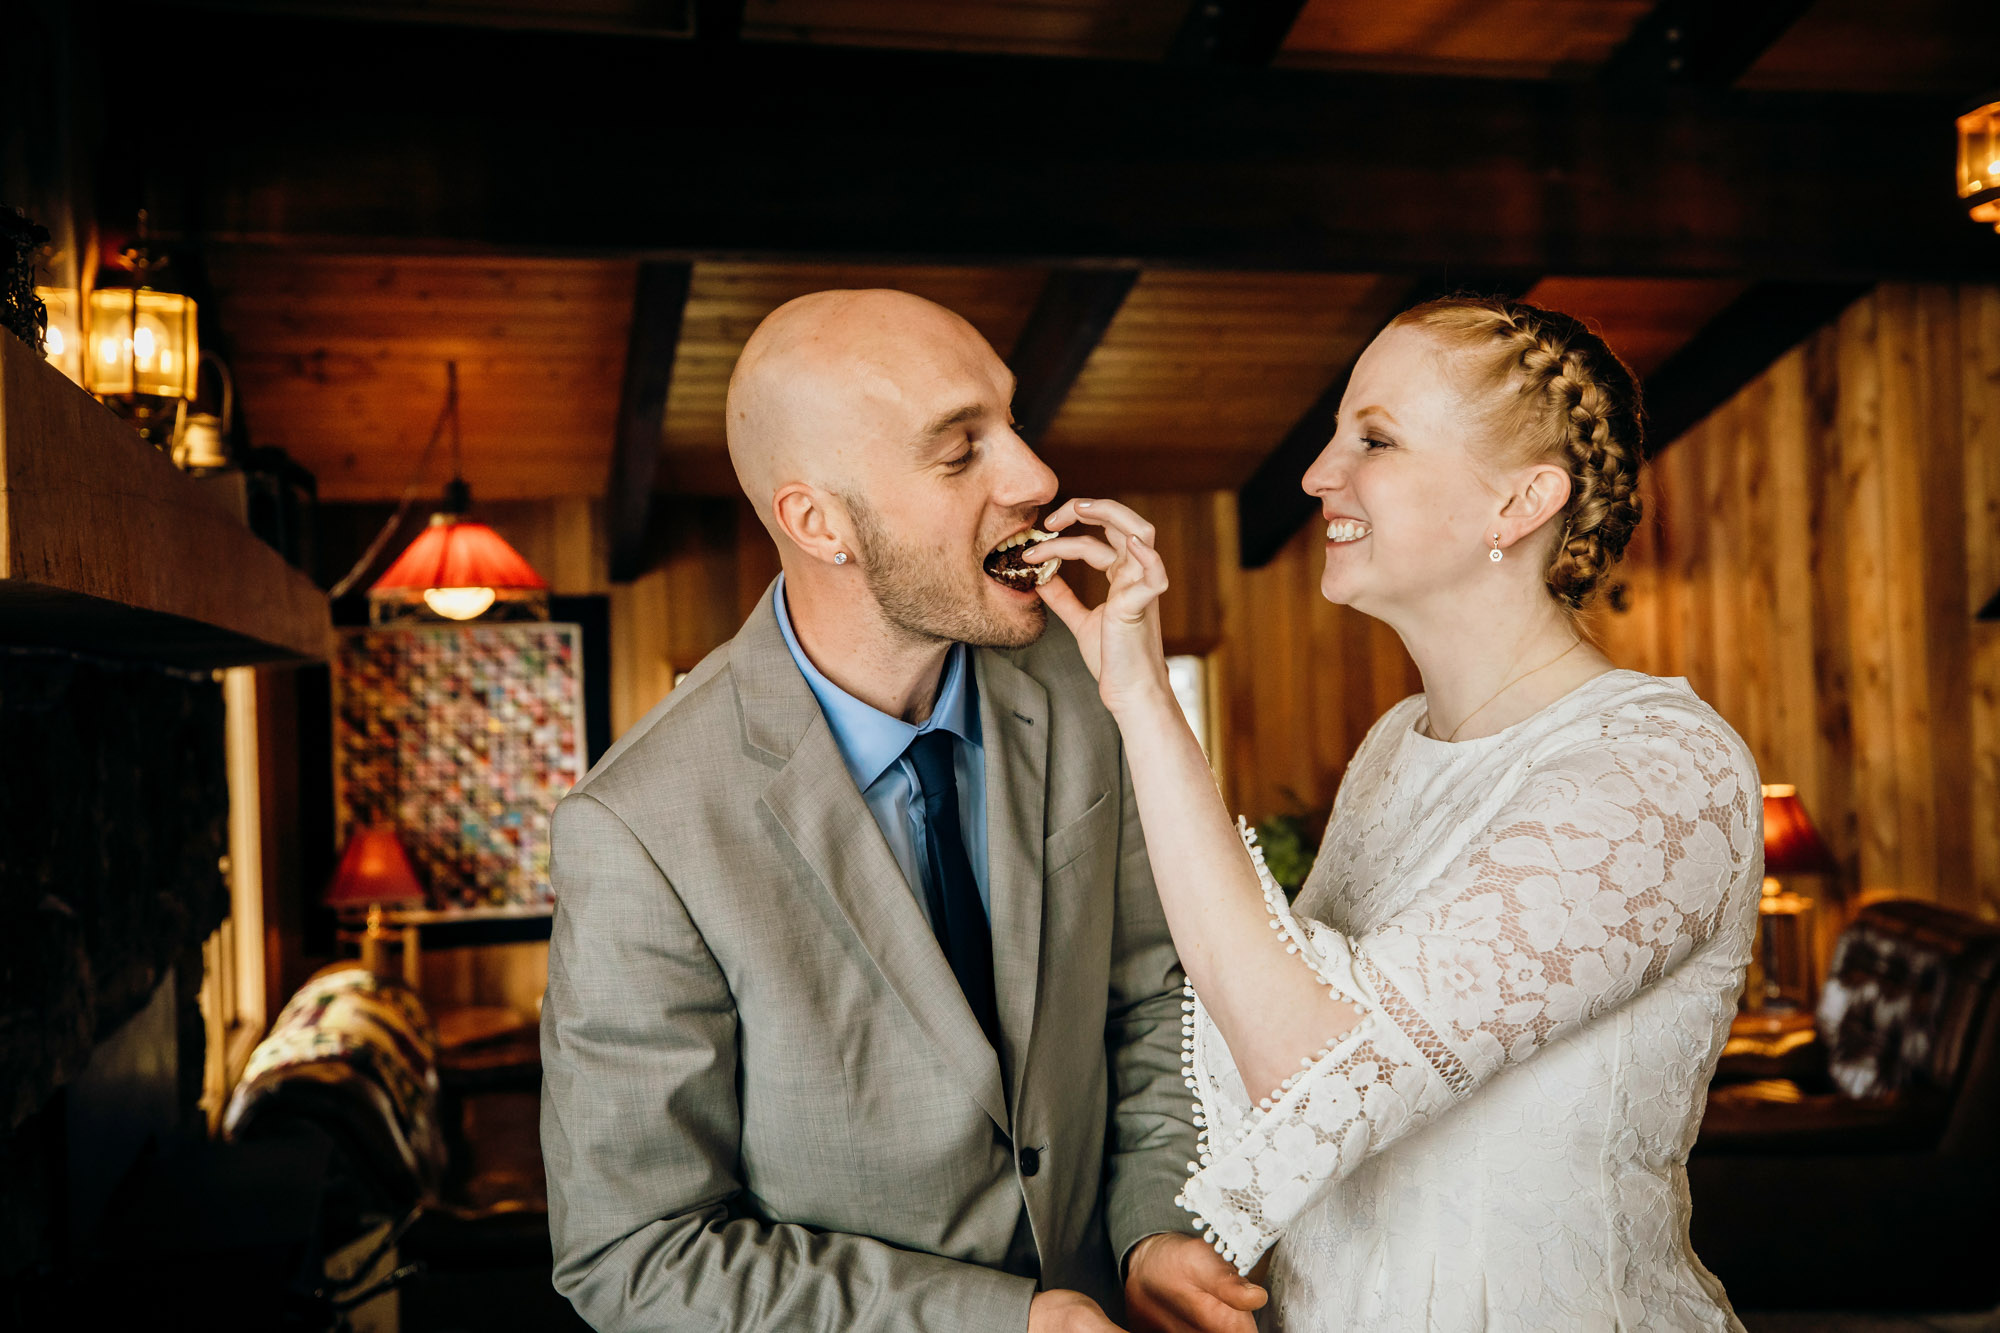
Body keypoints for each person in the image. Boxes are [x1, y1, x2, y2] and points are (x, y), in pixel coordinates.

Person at [1024, 297, 1765, 1330]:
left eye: (1370, 437)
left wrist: (1143, 700)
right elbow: (1254, 1033)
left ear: (1518, 502)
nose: (1316, 475)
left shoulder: (1656, 772)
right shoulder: (1393, 745)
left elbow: (1313, 1067)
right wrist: (1173, 1235)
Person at [539, 289, 1266, 1333]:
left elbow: (1156, 999)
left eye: (1008, 422)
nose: (1035, 477)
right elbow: (639, 1255)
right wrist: (1004, 1322)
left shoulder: (1085, 684)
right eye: (957, 451)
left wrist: (1149, 1225)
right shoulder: (638, 826)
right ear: (817, 521)